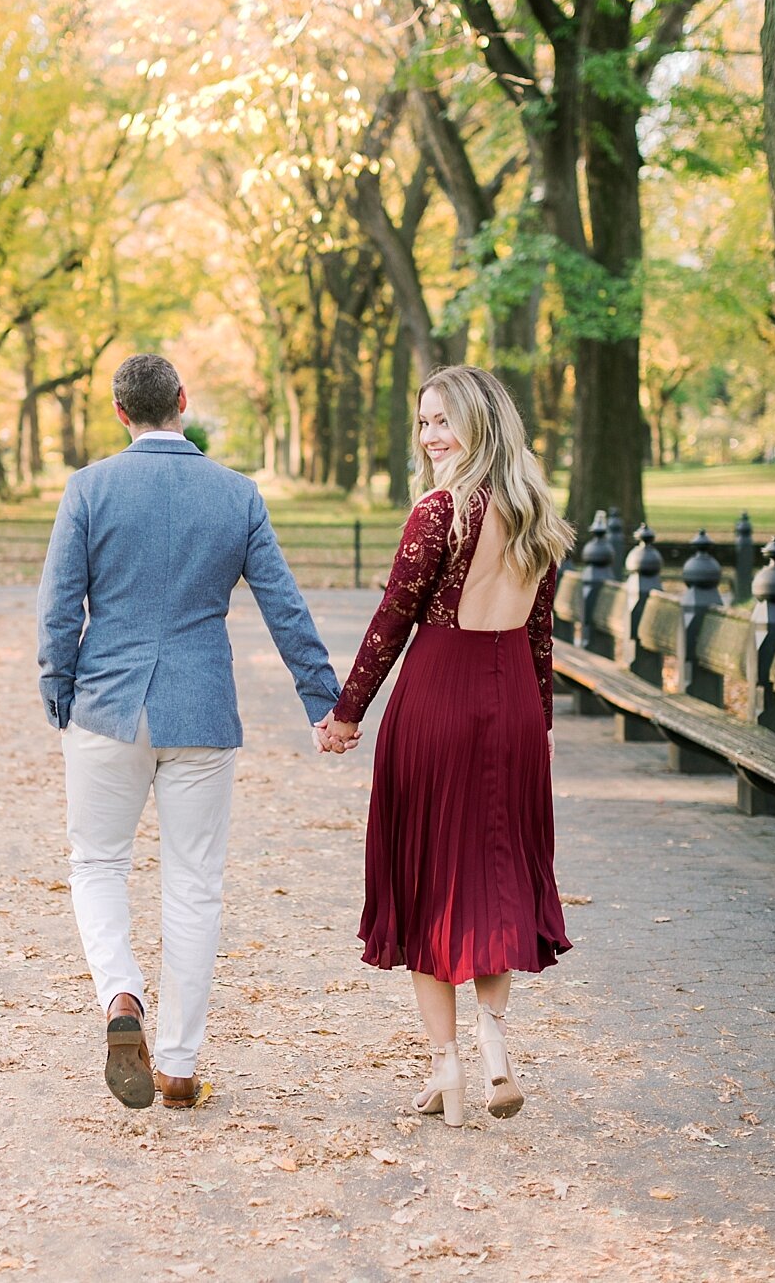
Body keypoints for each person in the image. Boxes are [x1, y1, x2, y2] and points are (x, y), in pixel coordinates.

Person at [37, 354, 343, 1110]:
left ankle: (119, 999)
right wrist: (324, 701)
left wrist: (58, 690)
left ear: (119, 412)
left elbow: (57, 608)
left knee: (98, 863)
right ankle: (175, 1064)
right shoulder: (235, 495)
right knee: (195, 885)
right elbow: (283, 606)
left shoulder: (90, 488)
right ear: (182, 402)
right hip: (201, 710)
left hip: (106, 705)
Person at [314, 365, 573, 1128]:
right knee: (495, 876)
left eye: (443, 422)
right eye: (423, 422)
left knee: (427, 876)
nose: (430, 437)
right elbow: (537, 635)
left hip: (439, 699)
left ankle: (448, 1070)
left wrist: (345, 713)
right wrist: (541, 726)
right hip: (512, 707)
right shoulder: (534, 515)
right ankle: (494, 1047)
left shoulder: (440, 511)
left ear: (479, 426)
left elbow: (392, 619)